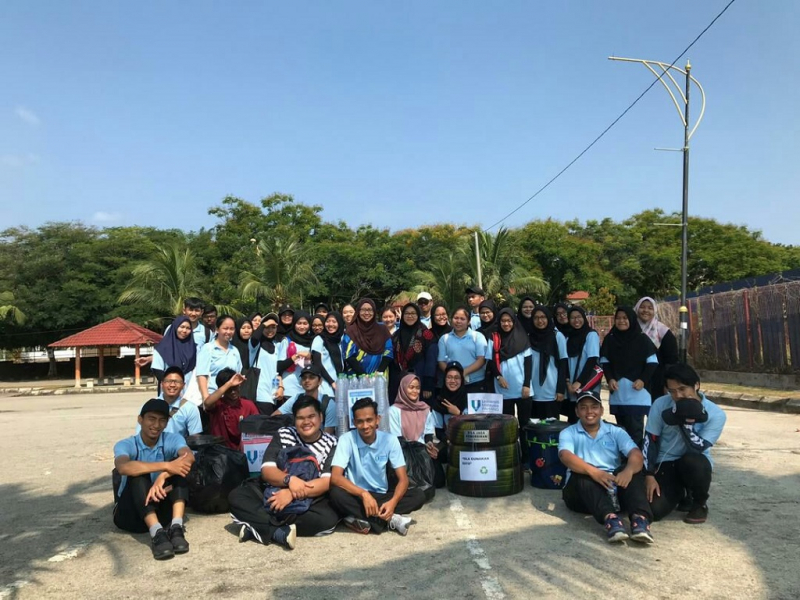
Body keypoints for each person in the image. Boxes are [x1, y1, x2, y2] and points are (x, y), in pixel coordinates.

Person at [228, 396, 340, 549]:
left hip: (308, 496)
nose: (306, 422)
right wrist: (289, 480)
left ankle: (256, 526)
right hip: (273, 490)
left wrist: (291, 494)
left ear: (320, 417)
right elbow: (267, 470)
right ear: (294, 420)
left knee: (328, 519)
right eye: (300, 418)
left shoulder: (332, 442)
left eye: (311, 416)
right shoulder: (283, 434)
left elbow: (326, 482)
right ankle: (277, 531)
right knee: (237, 497)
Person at [558, 391, 655, 544]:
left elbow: (636, 454)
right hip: (580, 493)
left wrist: (628, 471)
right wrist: (594, 472)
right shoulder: (568, 433)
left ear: (602, 410)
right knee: (582, 473)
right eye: (583, 407)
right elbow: (565, 456)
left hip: (612, 487)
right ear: (577, 411)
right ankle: (611, 520)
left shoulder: (615, 431)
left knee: (632, 470)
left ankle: (640, 520)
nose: (589, 412)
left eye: (594, 407)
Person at [643, 363, 727, 525]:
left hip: (693, 462)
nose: (677, 395)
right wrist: (649, 474)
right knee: (655, 511)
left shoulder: (716, 414)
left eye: (682, 389)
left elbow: (700, 447)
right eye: (672, 391)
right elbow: (650, 440)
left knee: (693, 461)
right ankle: (680, 493)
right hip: (665, 462)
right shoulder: (660, 404)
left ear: (696, 385)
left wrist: (685, 421)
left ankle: (699, 502)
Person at [330, 398, 426, 535]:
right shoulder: (346, 439)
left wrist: (393, 502)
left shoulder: (390, 440)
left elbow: (403, 479)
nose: (365, 426)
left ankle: (368, 518)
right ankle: (388, 519)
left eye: (369, 420)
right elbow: (336, 477)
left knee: (419, 495)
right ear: (354, 422)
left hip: (382, 496)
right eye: (360, 421)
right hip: (356, 494)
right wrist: (363, 494)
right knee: (335, 493)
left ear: (377, 420)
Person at [113, 399, 194, 560]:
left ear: (166, 423)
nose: (156, 425)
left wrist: (164, 475)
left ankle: (176, 526)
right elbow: (122, 467)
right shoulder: (127, 444)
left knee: (181, 469)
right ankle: (156, 533)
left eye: (162, 420)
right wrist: (166, 466)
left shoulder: (171, 439)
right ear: (140, 420)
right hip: (130, 514)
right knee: (138, 473)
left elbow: (189, 457)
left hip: (160, 506)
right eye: (151, 418)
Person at [600, 307, 658, 444]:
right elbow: (605, 362)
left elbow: (652, 362)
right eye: (618, 318)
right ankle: (625, 461)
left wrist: (643, 380)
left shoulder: (642, 339)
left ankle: (637, 462)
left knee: (635, 432)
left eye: (625, 318)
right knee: (621, 431)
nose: (621, 321)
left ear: (631, 319)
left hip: (637, 393)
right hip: (618, 392)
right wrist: (610, 378)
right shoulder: (610, 338)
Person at [485, 308, 533, 466]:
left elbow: (528, 363)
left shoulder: (522, 337)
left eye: (509, 321)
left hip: (522, 390)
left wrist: (527, 384)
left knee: (524, 425)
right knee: (507, 426)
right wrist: (498, 376)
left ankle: (526, 458)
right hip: (503, 389)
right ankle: (510, 458)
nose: (506, 324)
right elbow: (490, 361)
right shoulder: (495, 337)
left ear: (514, 321)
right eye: (503, 321)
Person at [135, 366, 202, 440]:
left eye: (177, 382)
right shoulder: (148, 406)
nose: (172, 385)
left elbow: (195, 438)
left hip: (179, 450)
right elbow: (139, 435)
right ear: (162, 384)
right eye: (168, 381)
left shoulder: (190, 408)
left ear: (183, 385)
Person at [390, 303, 437, 403]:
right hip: (400, 382)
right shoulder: (396, 335)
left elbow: (431, 360)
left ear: (418, 315)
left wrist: (428, 384)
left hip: (420, 381)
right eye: (407, 313)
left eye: (413, 313)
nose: (410, 316)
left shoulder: (426, 334)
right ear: (402, 316)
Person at [527, 305, 568, 419]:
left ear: (548, 318)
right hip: (533, 391)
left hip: (552, 391)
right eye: (536, 318)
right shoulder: (529, 337)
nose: (540, 321)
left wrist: (561, 389)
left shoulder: (557, 336)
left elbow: (563, 364)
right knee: (535, 429)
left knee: (551, 429)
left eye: (543, 317)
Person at [634, 296, 679, 400]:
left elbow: (671, 360)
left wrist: (668, 383)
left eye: (650, 308)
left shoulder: (663, 331)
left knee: (656, 412)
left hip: (657, 382)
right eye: (642, 307)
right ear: (636, 308)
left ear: (655, 310)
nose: (646, 310)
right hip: (634, 381)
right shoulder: (630, 330)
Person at [564, 306, 602, 424]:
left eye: (579, 317)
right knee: (573, 417)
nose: (576, 321)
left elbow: (592, 359)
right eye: (572, 318)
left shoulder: (591, 335)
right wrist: (568, 383)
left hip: (587, 383)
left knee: (588, 416)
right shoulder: (568, 337)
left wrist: (578, 382)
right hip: (572, 387)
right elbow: (565, 361)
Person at [203, 368, 259, 449]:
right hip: (219, 453)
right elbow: (207, 403)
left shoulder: (248, 405)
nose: (233, 392)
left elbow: (258, 427)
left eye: (235, 388)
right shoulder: (217, 404)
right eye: (229, 389)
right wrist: (229, 383)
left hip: (242, 453)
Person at [437, 307, 487, 394]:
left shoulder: (478, 337)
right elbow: (441, 361)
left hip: (476, 383)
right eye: (456, 318)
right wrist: (454, 376)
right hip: (453, 385)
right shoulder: (444, 338)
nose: (458, 321)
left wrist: (463, 373)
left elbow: (481, 359)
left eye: (462, 319)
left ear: (469, 321)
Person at [274, 366, 337, 435]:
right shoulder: (296, 398)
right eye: (304, 378)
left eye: (311, 377)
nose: (307, 380)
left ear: (320, 381)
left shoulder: (328, 404)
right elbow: (275, 416)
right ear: (301, 382)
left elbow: (327, 434)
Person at [195, 315, 243, 402]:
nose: (228, 332)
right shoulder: (208, 348)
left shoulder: (235, 351)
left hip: (231, 399)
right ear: (217, 329)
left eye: (232, 329)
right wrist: (206, 398)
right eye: (225, 328)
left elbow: (238, 374)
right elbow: (201, 375)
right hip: (213, 397)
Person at [388, 374, 438, 457]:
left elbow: (428, 434)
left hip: (422, 453)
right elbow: (397, 438)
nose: (415, 391)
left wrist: (429, 445)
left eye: (417, 388)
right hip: (402, 454)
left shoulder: (425, 409)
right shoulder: (393, 411)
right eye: (411, 387)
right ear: (403, 388)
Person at [341, 299, 393, 376]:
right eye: (363, 310)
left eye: (370, 310)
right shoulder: (351, 331)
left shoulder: (382, 330)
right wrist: (364, 376)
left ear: (374, 312)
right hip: (356, 378)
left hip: (379, 377)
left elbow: (389, 351)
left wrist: (379, 372)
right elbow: (349, 356)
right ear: (358, 311)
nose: (366, 313)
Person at [277, 311, 315, 399]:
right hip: (289, 388)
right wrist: (295, 357)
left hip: (306, 389)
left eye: (305, 323)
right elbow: (278, 366)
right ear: (294, 324)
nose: (302, 327)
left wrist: (310, 357)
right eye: (299, 323)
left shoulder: (312, 342)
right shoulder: (287, 341)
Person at [251, 313, 285, 412]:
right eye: (267, 327)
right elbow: (254, 338)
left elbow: (275, 372)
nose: (270, 330)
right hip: (259, 393)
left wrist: (280, 387)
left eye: (273, 327)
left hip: (272, 395)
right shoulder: (256, 345)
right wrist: (263, 324)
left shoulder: (276, 346)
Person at [149, 316, 197, 383]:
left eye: (188, 328)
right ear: (175, 327)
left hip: (189, 389)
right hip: (169, 389)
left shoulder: (194, 348)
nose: (184, 331)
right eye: (182, 327)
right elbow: (158, 370)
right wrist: (173, 384)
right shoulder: (162, 349)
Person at [311, 311, 345, 397]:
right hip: (325, 386)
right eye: (328, 321)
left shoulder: (340, 340)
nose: (330, 324)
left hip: (340, 385)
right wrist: (332, 382)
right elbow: (317, 363)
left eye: (334, 322)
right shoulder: (319, 339)